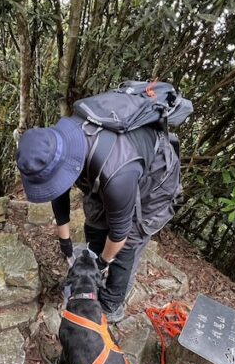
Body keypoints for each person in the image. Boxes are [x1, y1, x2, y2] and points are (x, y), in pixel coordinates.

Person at [16, 115, 181, 322]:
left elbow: (120, 233)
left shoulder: (117, 175)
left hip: (153, 183)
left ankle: (112, 303)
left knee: (128, 241)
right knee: (94, 217)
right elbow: (59, 190)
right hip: (106, 174)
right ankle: (92, 269)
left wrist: (102, 263)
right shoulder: (59, 144)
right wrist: (66, 244)